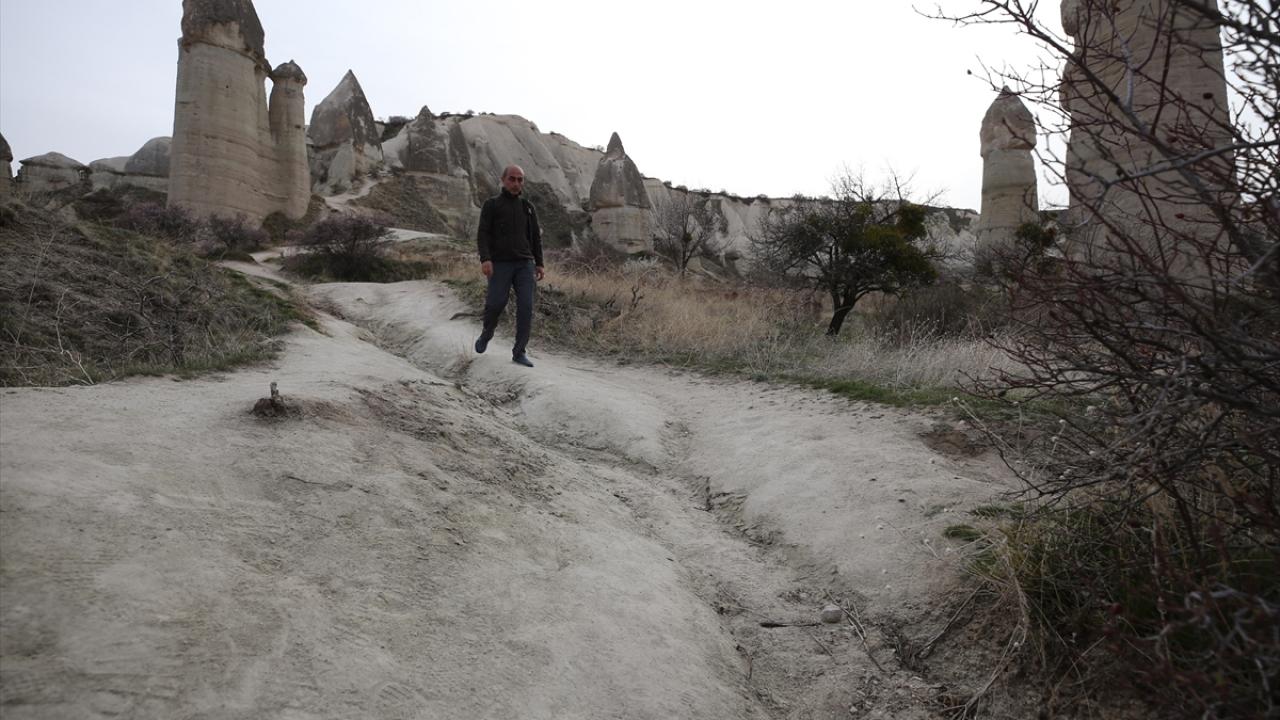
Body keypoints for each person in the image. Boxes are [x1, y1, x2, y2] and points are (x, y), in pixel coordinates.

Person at [474, 164, 545, 367]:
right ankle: (487, 332)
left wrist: (539, 263)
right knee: (495, 304)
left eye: (520, 180)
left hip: (525, 264)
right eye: (512, 179)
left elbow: (535, 238)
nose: (516, 183)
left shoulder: (528, 207)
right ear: (503, 180)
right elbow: (483, 234)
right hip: (500, 264)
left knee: (526, 308)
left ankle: (519, 352)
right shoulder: (492, 205)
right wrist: (485, 259)